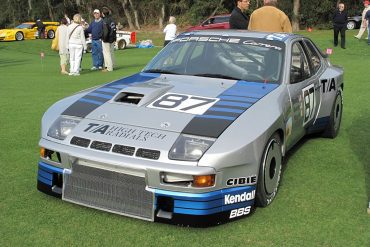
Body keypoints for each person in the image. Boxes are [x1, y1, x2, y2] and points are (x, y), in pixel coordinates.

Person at [102, 6, 116, 72]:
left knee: (107, 53)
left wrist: (104, 39)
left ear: (103, 13)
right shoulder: (112, 19)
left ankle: (109, 68)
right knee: (111, 52)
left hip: (107, 39)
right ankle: (112, 65)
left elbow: (106, 31)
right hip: (112, 38)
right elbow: (114, 29)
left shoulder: (105, 20)